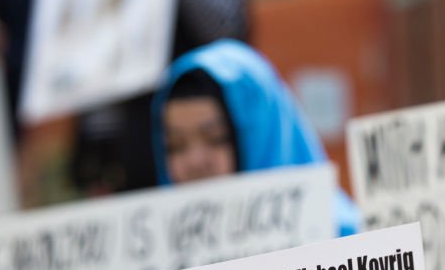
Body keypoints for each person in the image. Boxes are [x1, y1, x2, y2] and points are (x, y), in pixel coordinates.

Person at [151, 38, 360, 236]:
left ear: (262, 137)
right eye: (175, 145)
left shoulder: (344, 239)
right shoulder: (150, 255)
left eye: (216, 139)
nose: (195, 161)